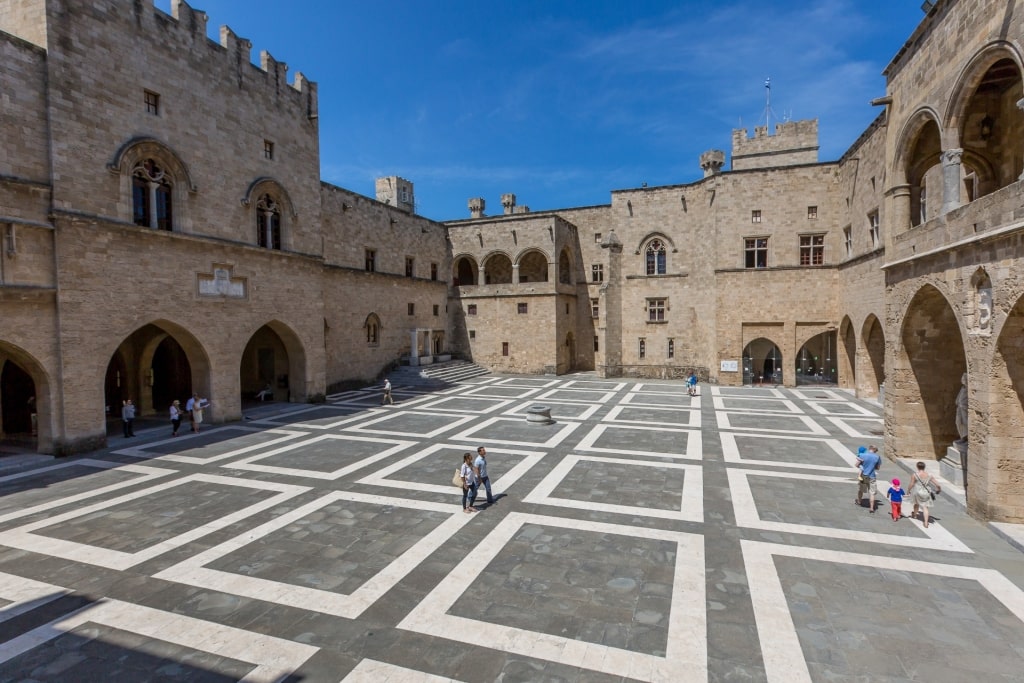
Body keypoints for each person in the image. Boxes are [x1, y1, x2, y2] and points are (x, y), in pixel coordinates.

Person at [909, 461, 941, 528]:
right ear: (924, 467)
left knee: (916, 503)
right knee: (925, 507)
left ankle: (914, 515)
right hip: (926, 492)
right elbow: (937, 484)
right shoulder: (929, 475)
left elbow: (911, 484)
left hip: (917, 491)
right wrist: (938, 489)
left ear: (917, 467)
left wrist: (908, 491)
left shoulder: (915, 475)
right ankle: (926, 522)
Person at [854, 445, 882, 512]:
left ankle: (859, 501)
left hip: (863, 475)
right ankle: (871, 508)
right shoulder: (877, 457)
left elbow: (856, 465)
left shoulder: (863, 455)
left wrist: (862, 466)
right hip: (872, 476)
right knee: (872, 493)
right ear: (875, 450)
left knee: (861, 490)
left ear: (869, 448)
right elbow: (878, 468)